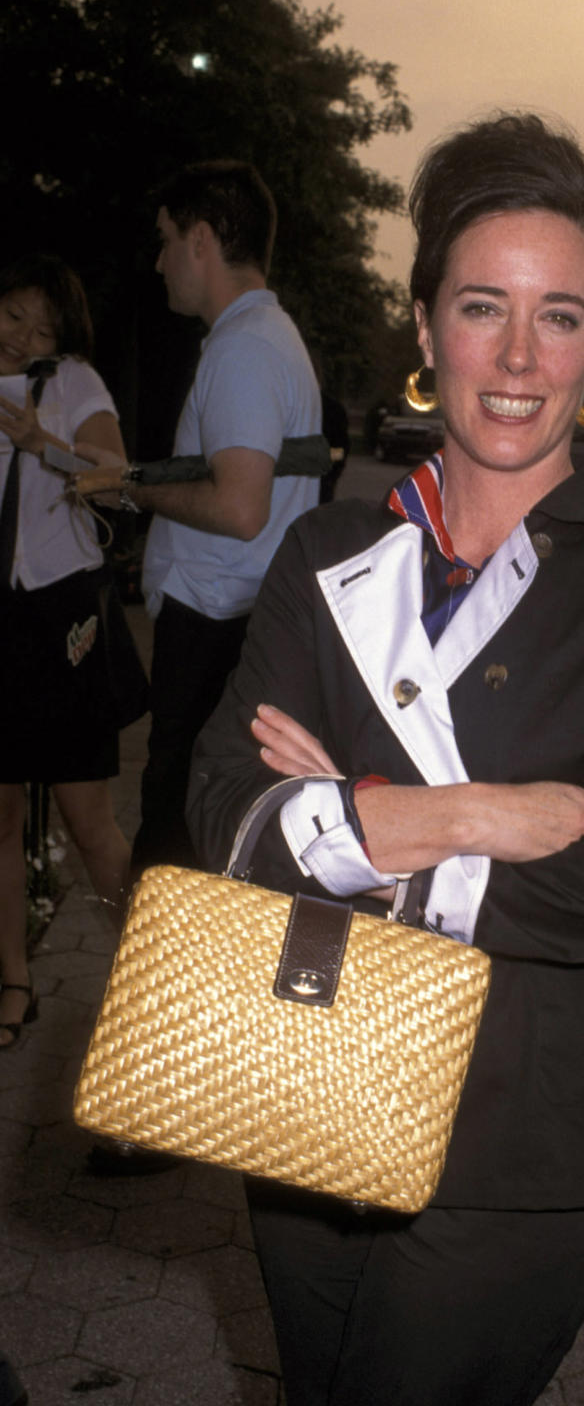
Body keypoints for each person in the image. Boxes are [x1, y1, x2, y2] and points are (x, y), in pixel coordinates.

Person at [187, 113, 584, 1406]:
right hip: (305, 1079)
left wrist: (339, 822)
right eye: (484, 308)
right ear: (427, 324)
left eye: (562, 317)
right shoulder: (328, 551)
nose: (520, 356)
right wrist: (468, 817)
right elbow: (218, 812)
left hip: (521, 1134)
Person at [73, 160, 323, 873]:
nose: (158, 262)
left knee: (175, 855)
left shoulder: (245, 347)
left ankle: (164, 983)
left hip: (214, 635)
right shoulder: (261, 337)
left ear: (203, 239)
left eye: (165, 240)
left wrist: (130, 487)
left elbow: (240, 507)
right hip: (231, 626)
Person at [0, 255, 131, 1048]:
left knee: (89, 818)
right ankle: (14, 977)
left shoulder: (74, 382)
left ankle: (146, 977)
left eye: (43, 327)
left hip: (61, 616)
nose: (24, 337)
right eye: (13, 315)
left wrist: (41, 441)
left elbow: (115, 477)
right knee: (1, 810)